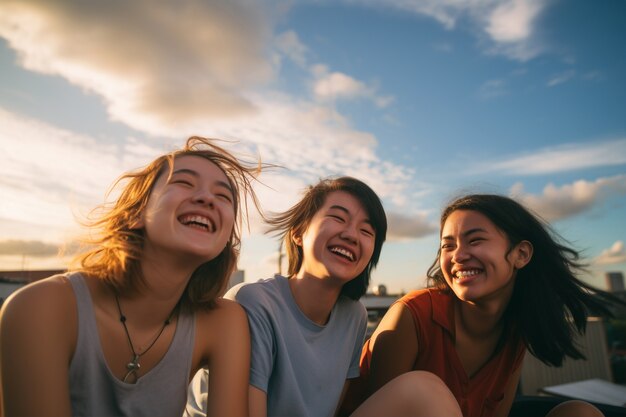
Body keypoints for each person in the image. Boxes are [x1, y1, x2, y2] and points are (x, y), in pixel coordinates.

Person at [0, 136, 262, 417]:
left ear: (226, 237)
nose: (207, 198)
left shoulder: (224, 322)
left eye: (223, 197)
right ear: (136, 213)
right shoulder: (40, 307)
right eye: (184, 182)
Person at [343, 193, 625, 417]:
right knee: (424, 391)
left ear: (521, 254)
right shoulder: (412, 316)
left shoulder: (516, 331)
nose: (459, 255)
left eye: (475, 240)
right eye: (447, 245)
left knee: (580, 412)